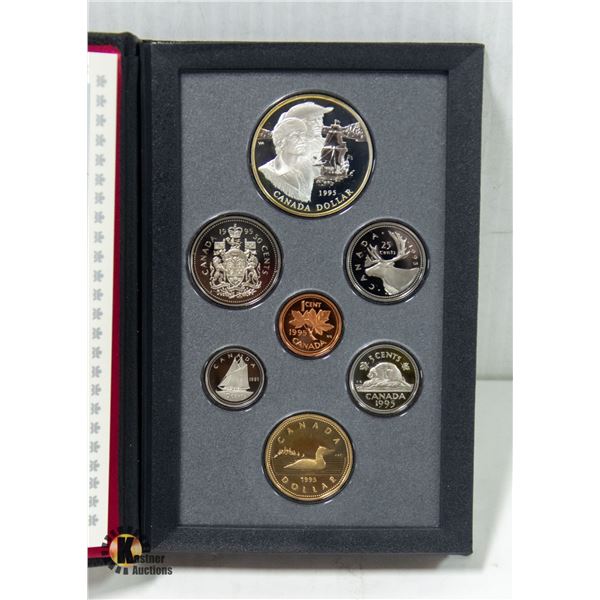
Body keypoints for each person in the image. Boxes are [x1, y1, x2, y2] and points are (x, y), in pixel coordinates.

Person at [258, 117, 317, 203]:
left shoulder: (308, 166)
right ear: (281, 142)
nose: (302, 140)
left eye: (303, 135)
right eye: (295, 136)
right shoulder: (266, 172)